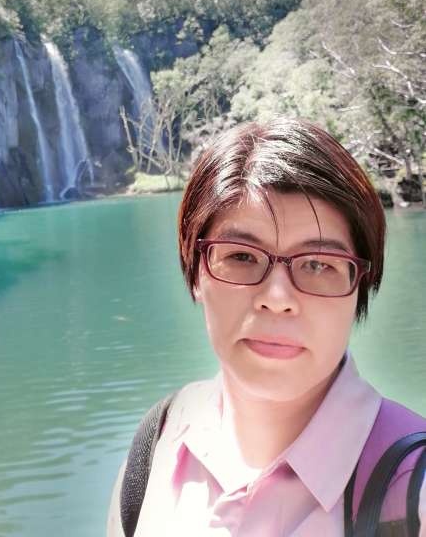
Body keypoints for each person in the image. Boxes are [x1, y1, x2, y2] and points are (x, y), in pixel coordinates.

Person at [106, 117, 426, 536]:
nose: (276, 297)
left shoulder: (413, 490)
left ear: (360, 286)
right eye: (241, 256)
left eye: (319, 264)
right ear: (196, 272)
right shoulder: (156, 450)